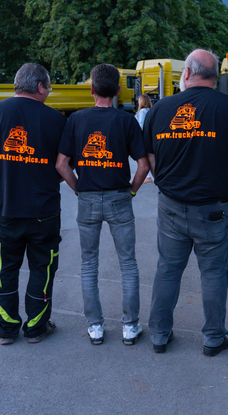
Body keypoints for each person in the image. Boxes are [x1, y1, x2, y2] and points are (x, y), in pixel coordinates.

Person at [143, 49, 228, 356]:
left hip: (171, 204)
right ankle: (213, 338)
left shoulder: (161, 108)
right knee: (214, 273)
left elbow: (150, 158)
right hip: (215, 208)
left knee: (167, 269)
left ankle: (159, 335)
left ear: (187, 74)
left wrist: (166, 185)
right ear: (215, 77)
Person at [0, 63, 66, 345]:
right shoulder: (55, 119)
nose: (48, 92)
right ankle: (36, 327)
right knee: (42, 268)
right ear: (40, 87)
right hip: (43, 212)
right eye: (48, 87)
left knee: (4, 269)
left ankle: (6, 329)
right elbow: (63, 166)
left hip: (5, 209)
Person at [55, 64, 150, 346]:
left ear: (92, 89)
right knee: (128, 264)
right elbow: (144, 165)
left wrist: (78, 189)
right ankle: (130, 327)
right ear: (119, 90)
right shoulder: (126, 121)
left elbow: (61, 164)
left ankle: (95, 326)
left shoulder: (76, 120)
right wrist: (131, 192)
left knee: (88, 264)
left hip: (88, 198)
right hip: (119, 197)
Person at [135, 94, 154, 183]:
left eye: (139, 100)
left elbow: (141, 124)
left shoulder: (142, 111)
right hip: (150, 136)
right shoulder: (150, 110)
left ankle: (148, 177)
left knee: (143, 157)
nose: (138, 101)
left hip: (143, 137)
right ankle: (149, 176)